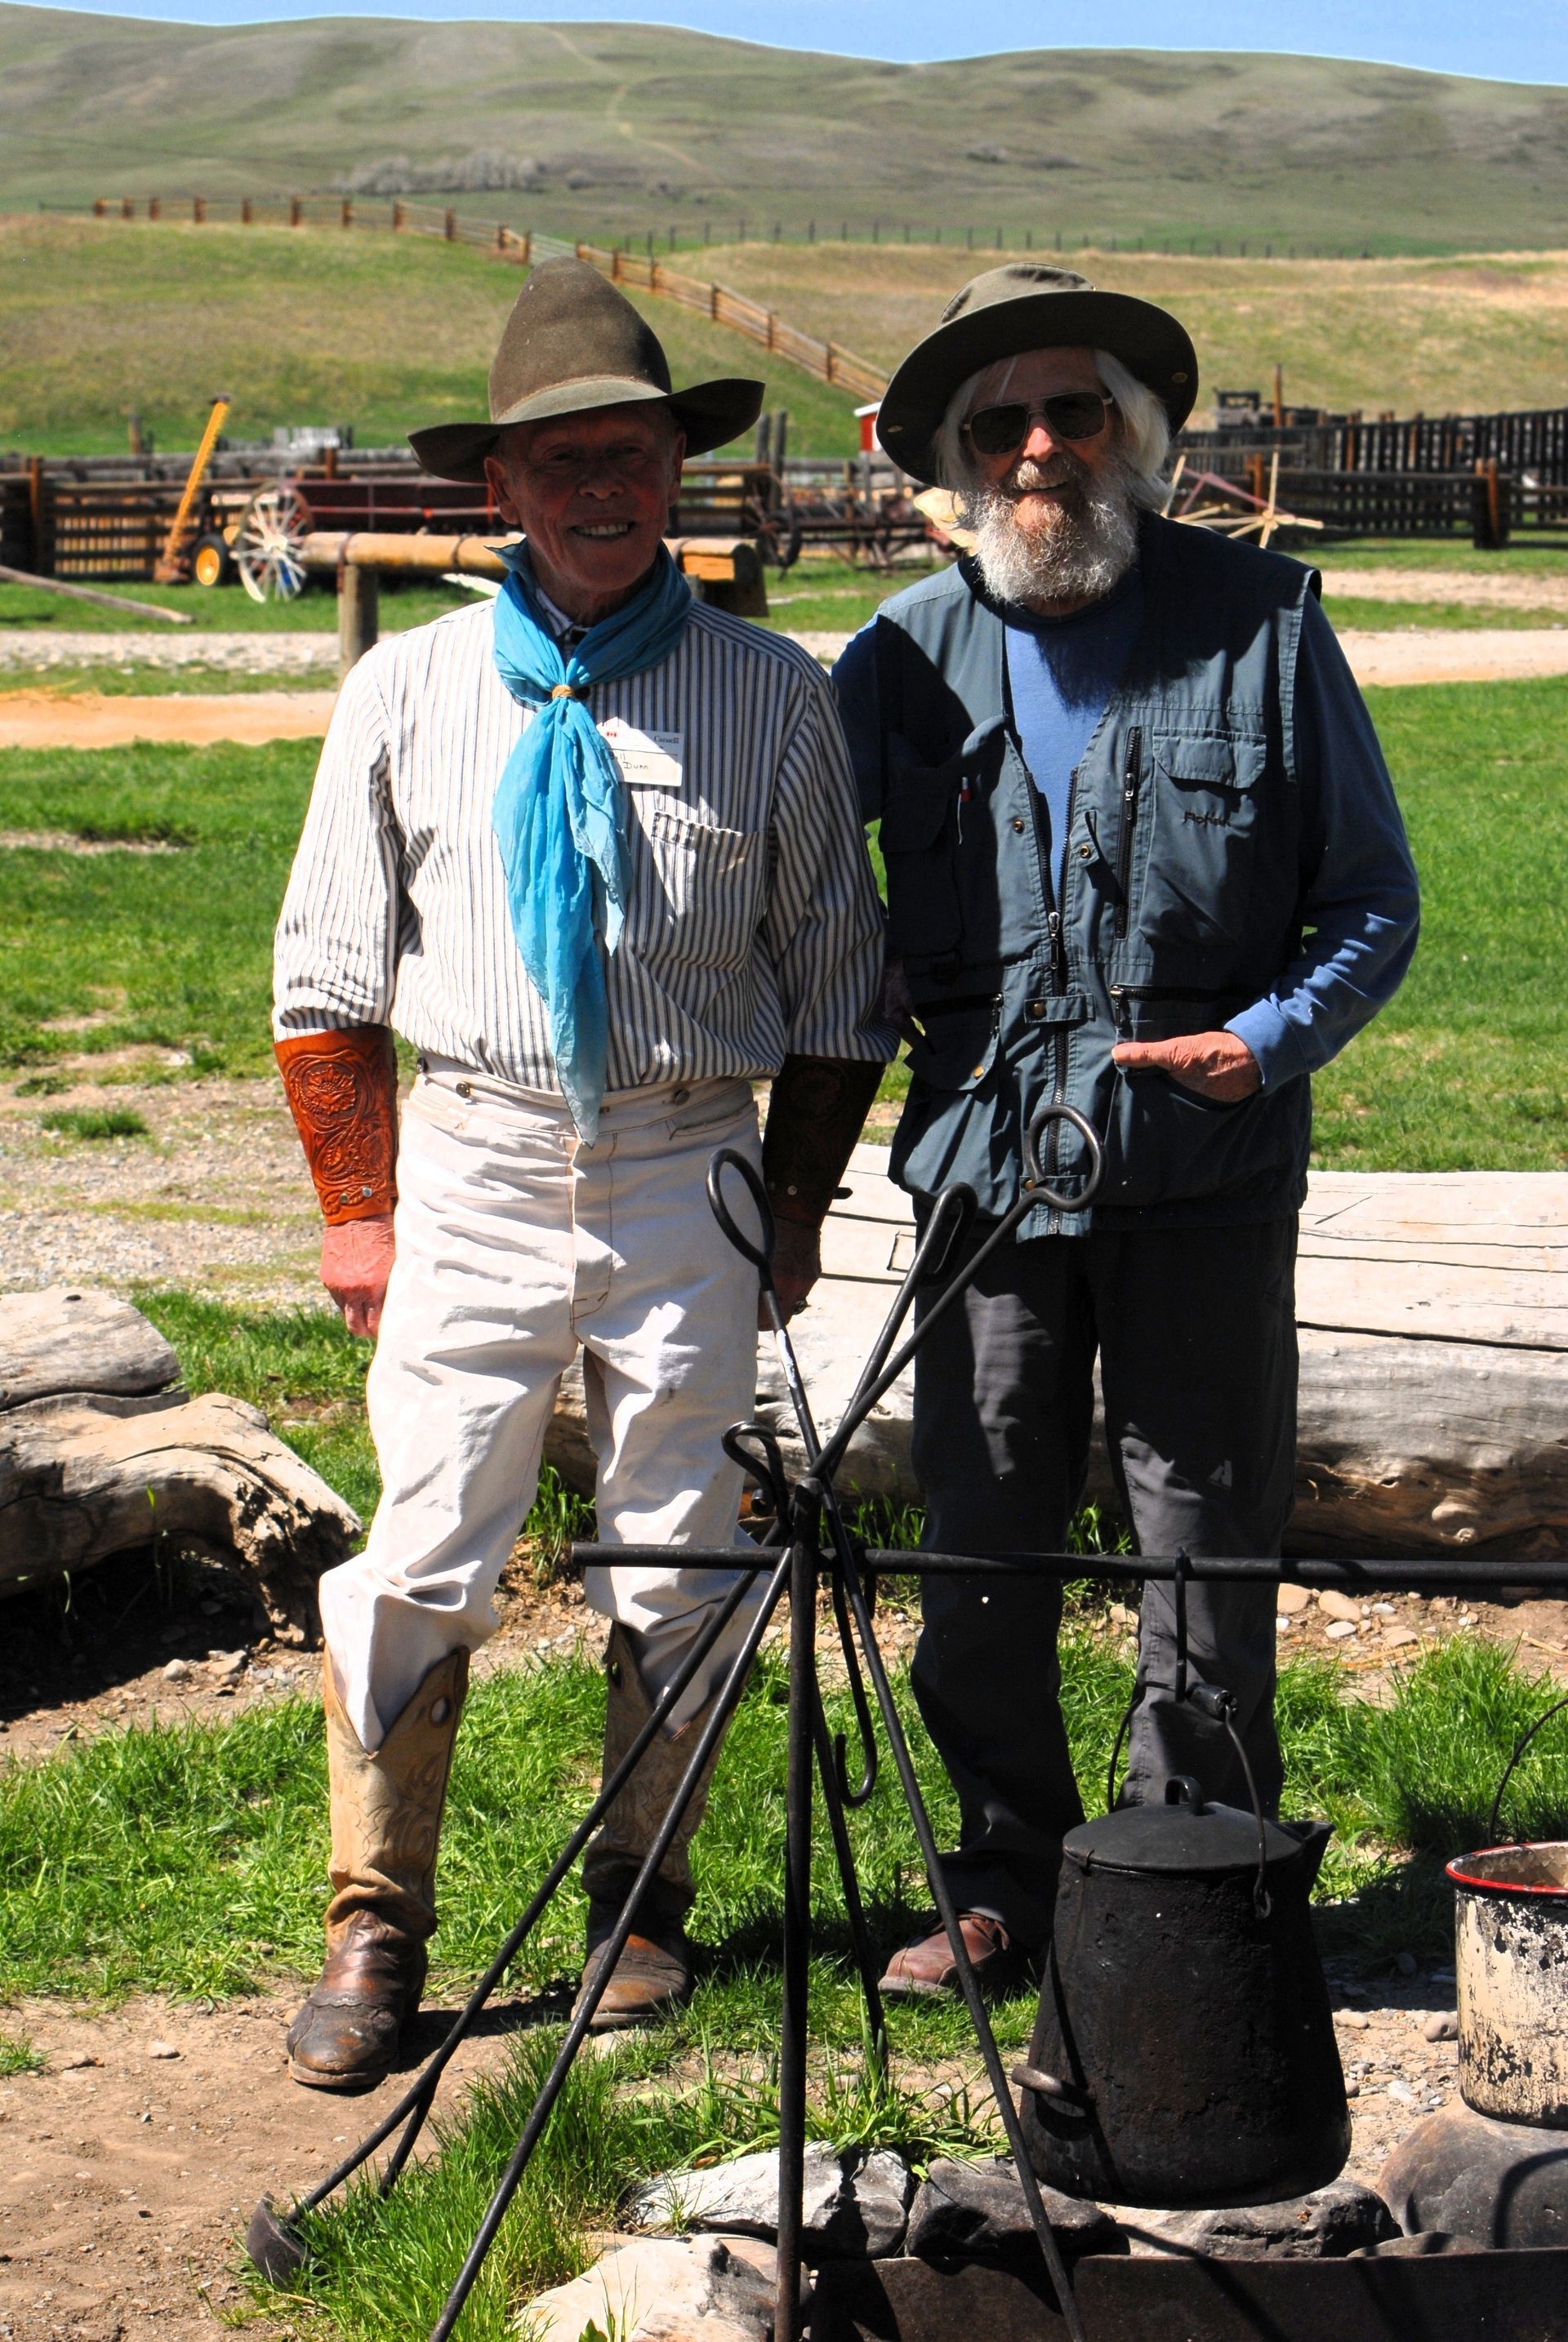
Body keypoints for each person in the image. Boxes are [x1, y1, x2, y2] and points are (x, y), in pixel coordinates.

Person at [272, 257, 891, 2089]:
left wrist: (787, 1213)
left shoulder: (774, 697)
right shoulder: (407, 689)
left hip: (686, 1160)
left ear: (676, 473)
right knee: (427, 1539)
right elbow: (322, 976)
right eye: (563, 466)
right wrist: (360, 1211)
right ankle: (375, 1924)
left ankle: (644, 1896)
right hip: (469, 1154)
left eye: (631, 455)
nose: (602, 490)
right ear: (505, 491)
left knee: (680, 1552)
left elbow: (845, 985)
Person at [832, 264, 1419, 1997]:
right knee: (980, 1533)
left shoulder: (1268, 621)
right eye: (998, 421)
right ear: (953, 454)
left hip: (1209, 1173)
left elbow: (1372, 903)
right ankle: (1007, 1876)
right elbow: (796, 899)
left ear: (1136, 439)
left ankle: (1192, 1887)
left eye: (1071, 411)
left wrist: (1261, 1043)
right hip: (986, 1178)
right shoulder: (896, 659)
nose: (1036, 447)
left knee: (1205, 1537)